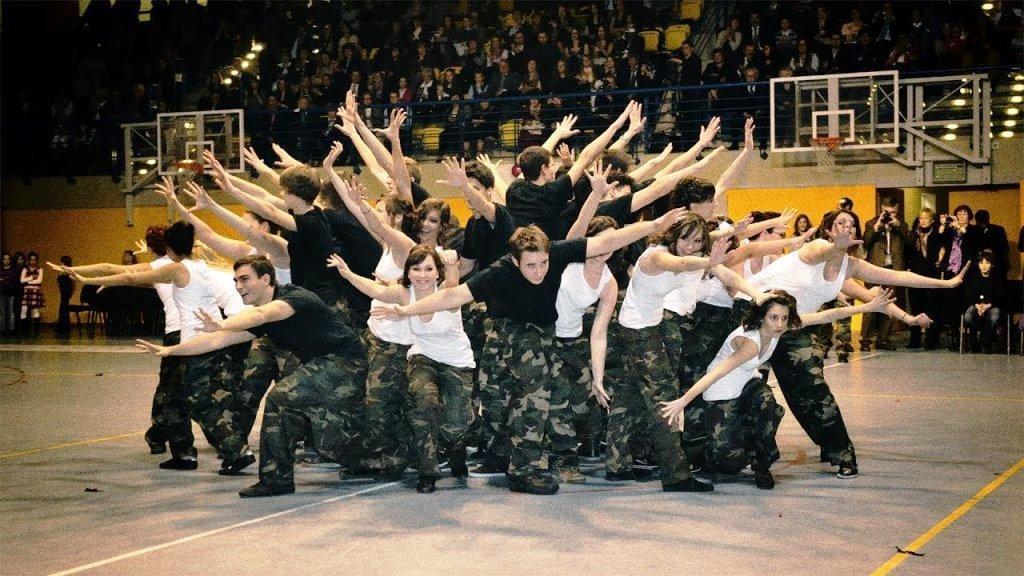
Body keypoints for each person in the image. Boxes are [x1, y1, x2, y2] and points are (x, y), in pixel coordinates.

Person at [373, 208, 693, 495]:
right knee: (517, 395)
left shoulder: (557, 252)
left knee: (535, 392)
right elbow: (450, 297)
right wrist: (406, 311)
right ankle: (517, 462)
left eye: (543, 263)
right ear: (515, 260)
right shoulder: (499, 272)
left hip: (544, 329)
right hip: (507, 327)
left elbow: (606, 241)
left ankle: (519, 463)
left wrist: (655, 223)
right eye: (530, 265)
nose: (539, 271)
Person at [742, 209, 968, 478]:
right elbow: (822, 253)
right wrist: (834, 246)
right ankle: (750, 456)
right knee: (749, 391)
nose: (846, 227)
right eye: (840, 223)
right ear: (829, 230)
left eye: (851, 224)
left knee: (814, 392)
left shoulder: (849, 268)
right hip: (753, 320)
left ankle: (839, 452)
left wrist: (940, 289)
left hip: (792, 327)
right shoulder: (816, 247)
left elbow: (891, 283)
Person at [137, 256, 368, 498]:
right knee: (330, 441)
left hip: (344, 362)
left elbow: (262, 316)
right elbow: (216, 341)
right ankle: (382, 460)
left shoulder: (292, 300)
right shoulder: (263, 312)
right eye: (236, 280)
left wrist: (223, 324)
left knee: (280, 399)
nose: (238, 286)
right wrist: (171, 351)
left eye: (245, 279)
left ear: (266, 279)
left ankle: (276, 479)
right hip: (323, 364)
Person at [54, 220, 252, 474]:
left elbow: (129, 275)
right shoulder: (204, 267)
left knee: (197, 400)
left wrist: (84, 278)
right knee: (182, 398)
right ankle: (190, 454)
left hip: (192, 343)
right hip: (207, 341)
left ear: (169, 248)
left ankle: (233, 450)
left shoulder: (176, 270)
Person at [661, 289, 895, 489]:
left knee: (768, 404)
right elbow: (715, 374)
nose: (780, 324)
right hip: (720, 392)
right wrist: (683, 401)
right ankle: (707, 451)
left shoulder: (780, 328)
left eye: (784, 318)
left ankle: (762, 465)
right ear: (762, 317)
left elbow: (827, 314)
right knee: (728, 463)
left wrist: (871, 305)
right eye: (773, 318)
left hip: (746, 384)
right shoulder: (749, 343)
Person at [610, 213, 768, 493]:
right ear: (672, 235)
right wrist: (709, 260)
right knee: (666, 397)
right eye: (685, 238)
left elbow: (726, 273)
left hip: (647, 326)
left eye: (697, 240)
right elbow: (681, 262)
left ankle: (616, 464)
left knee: (629, 393)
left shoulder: (696, 256)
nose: (690, 245)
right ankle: (675, 475)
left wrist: (756, 293)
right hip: (638, 332)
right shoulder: (655, 256)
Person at [329, 246, 471, 494]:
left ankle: (455, 447)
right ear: (408, 272)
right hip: (422, 358)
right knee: (424, 404)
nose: (422, 275)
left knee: (455, 425)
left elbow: (451, 280)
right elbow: (377, 290)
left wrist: (450, 264)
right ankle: (428, 471)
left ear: (437, 273)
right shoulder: (404, 293)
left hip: (456, 361)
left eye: (429, 269)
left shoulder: (448, 291)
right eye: (416, 269)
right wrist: (347, 273)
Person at [860, 196, 909, 351]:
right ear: (882, 209)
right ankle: (866, 339)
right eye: (887, 212)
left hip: (892, 269)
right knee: (871, 303)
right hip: (874, 269)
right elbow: (865, 242)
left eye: (893, 212)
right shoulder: (871, 223)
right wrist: (877, 226)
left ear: (897, 211)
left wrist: (899, 226)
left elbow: (910, 244)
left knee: (889, 304)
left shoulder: (902, 225)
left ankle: (883, 338)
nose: (890, 215)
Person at [907, 208, 944, 349]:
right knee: (916, 308)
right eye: (921, 217)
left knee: (931, 309)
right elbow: (908, 252)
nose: (922, 220)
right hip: (915, 275)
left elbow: (942, 250)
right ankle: (914, 340)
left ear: (932, 221)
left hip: (931, 275)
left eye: (926, 218)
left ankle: (931, 341)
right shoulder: (913, 235)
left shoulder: (936, 234)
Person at [962, 250, 1007, 353]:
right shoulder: (973, 278)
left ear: (992, 265)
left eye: (987, 263)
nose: (984, 265)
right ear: (978, 264)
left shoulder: (997, 278)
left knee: (994, 316)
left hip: (992, 305)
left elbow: (999, 295)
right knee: (968, 316)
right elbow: (970, 294)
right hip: (976, 305)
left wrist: (987, 305)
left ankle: (986, 342)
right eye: (981, 263)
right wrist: (977, 305)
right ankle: (975, 341)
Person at [20, 252, 44, 337]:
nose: (33, 261)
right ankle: (24, 330)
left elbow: (39, 281)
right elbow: (21, 280)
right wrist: (31, 278)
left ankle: (36, 332)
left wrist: (28, 281)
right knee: (24, 309)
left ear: (36, 260)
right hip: (27, 291)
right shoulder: (25, 269)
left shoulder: (39, 269)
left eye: (34, 260)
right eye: (31, 260)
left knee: (35, 311)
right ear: (29, 260)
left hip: (35, 291)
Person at [55, 256, 75, 337]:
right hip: (63, 291)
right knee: (63, 308)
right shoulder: (62, 271)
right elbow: (57, 279)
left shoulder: (69, 271)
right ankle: (63, 327)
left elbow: (73, 281)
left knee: (64, 308)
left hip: (66, 291)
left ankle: (64, 327)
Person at [0, 253, 18, 333]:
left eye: (8, 259)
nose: (6, 261)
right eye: (4, 259)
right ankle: (2, 329)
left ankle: (11, 329)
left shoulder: (14, 270)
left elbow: (15, 281)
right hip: (1, 292)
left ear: (10, 260)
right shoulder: (0, 269)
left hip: (11, 293)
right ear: (2, 260)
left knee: (11, 312)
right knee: (2, 312)